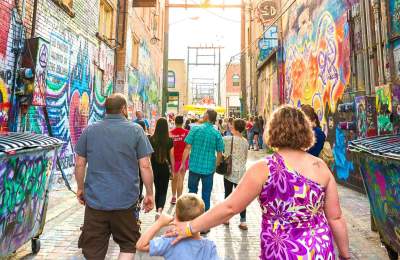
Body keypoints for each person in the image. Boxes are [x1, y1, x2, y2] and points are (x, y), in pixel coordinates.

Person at [168, 105, 350, 260]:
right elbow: (335, 217)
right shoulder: (320, 167)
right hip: (319, 250)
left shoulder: (265, 168)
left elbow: (230, 208)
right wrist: (345, 254)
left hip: (282, 252)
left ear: (273, 130)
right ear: (306, 131)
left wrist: (191, 227)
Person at [74, 93, 154, 260]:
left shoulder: (90, 130)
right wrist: (149, 193)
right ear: (123, 108)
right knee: (128, 244)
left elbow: (80, 163)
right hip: (125, 202)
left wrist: (80, 188)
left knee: (93, 251)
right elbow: (145, 165)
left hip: (96, 202)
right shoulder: (136, 131)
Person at [179, 109, 224, 233]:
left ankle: (190, 222)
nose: (203, 116)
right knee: (206, 195)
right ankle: (204, 226)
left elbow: (187, 147)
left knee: (192, 193)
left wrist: (183, 163)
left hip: (194, 166)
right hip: (208, 168)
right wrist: (215, 165)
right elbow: (220, 153)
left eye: (204, 114)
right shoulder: (216, 133)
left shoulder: (195, 129)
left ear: (207, 116)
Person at [136, 194, 219, 260]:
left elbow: (140, 245)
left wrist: (159, 223)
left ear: (176, 217)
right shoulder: (209, 246)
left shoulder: (170, 242)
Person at [222, 119, 249, 230]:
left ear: (235, 127)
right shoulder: (245, 142)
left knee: (228, 195)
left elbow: (224, 152)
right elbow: (246, 157)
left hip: (230, 172)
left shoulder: (228, 139)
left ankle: (227, 218)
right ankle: (243, 222)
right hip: (242, 172)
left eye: (232, 126)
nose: (230, 127)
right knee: (242, 198)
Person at [149, 118, 174, 217]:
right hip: (165, 168)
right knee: (163, 190)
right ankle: (160, 209)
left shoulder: (151, 139)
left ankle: (157, 209)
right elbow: (172, 156)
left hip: (154, 167)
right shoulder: (169, 140)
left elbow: (149, 156)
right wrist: (173, 169)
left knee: (157, 189)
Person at [170, 115, 189, 204]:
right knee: (181, 178)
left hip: (173, 158)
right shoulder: (187, 133)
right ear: (183, 123)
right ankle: (179, 198)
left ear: (175, 122)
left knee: (174, 178)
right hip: (184, 159)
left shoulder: (170, 132)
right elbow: (188, 147)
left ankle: (173, 196)